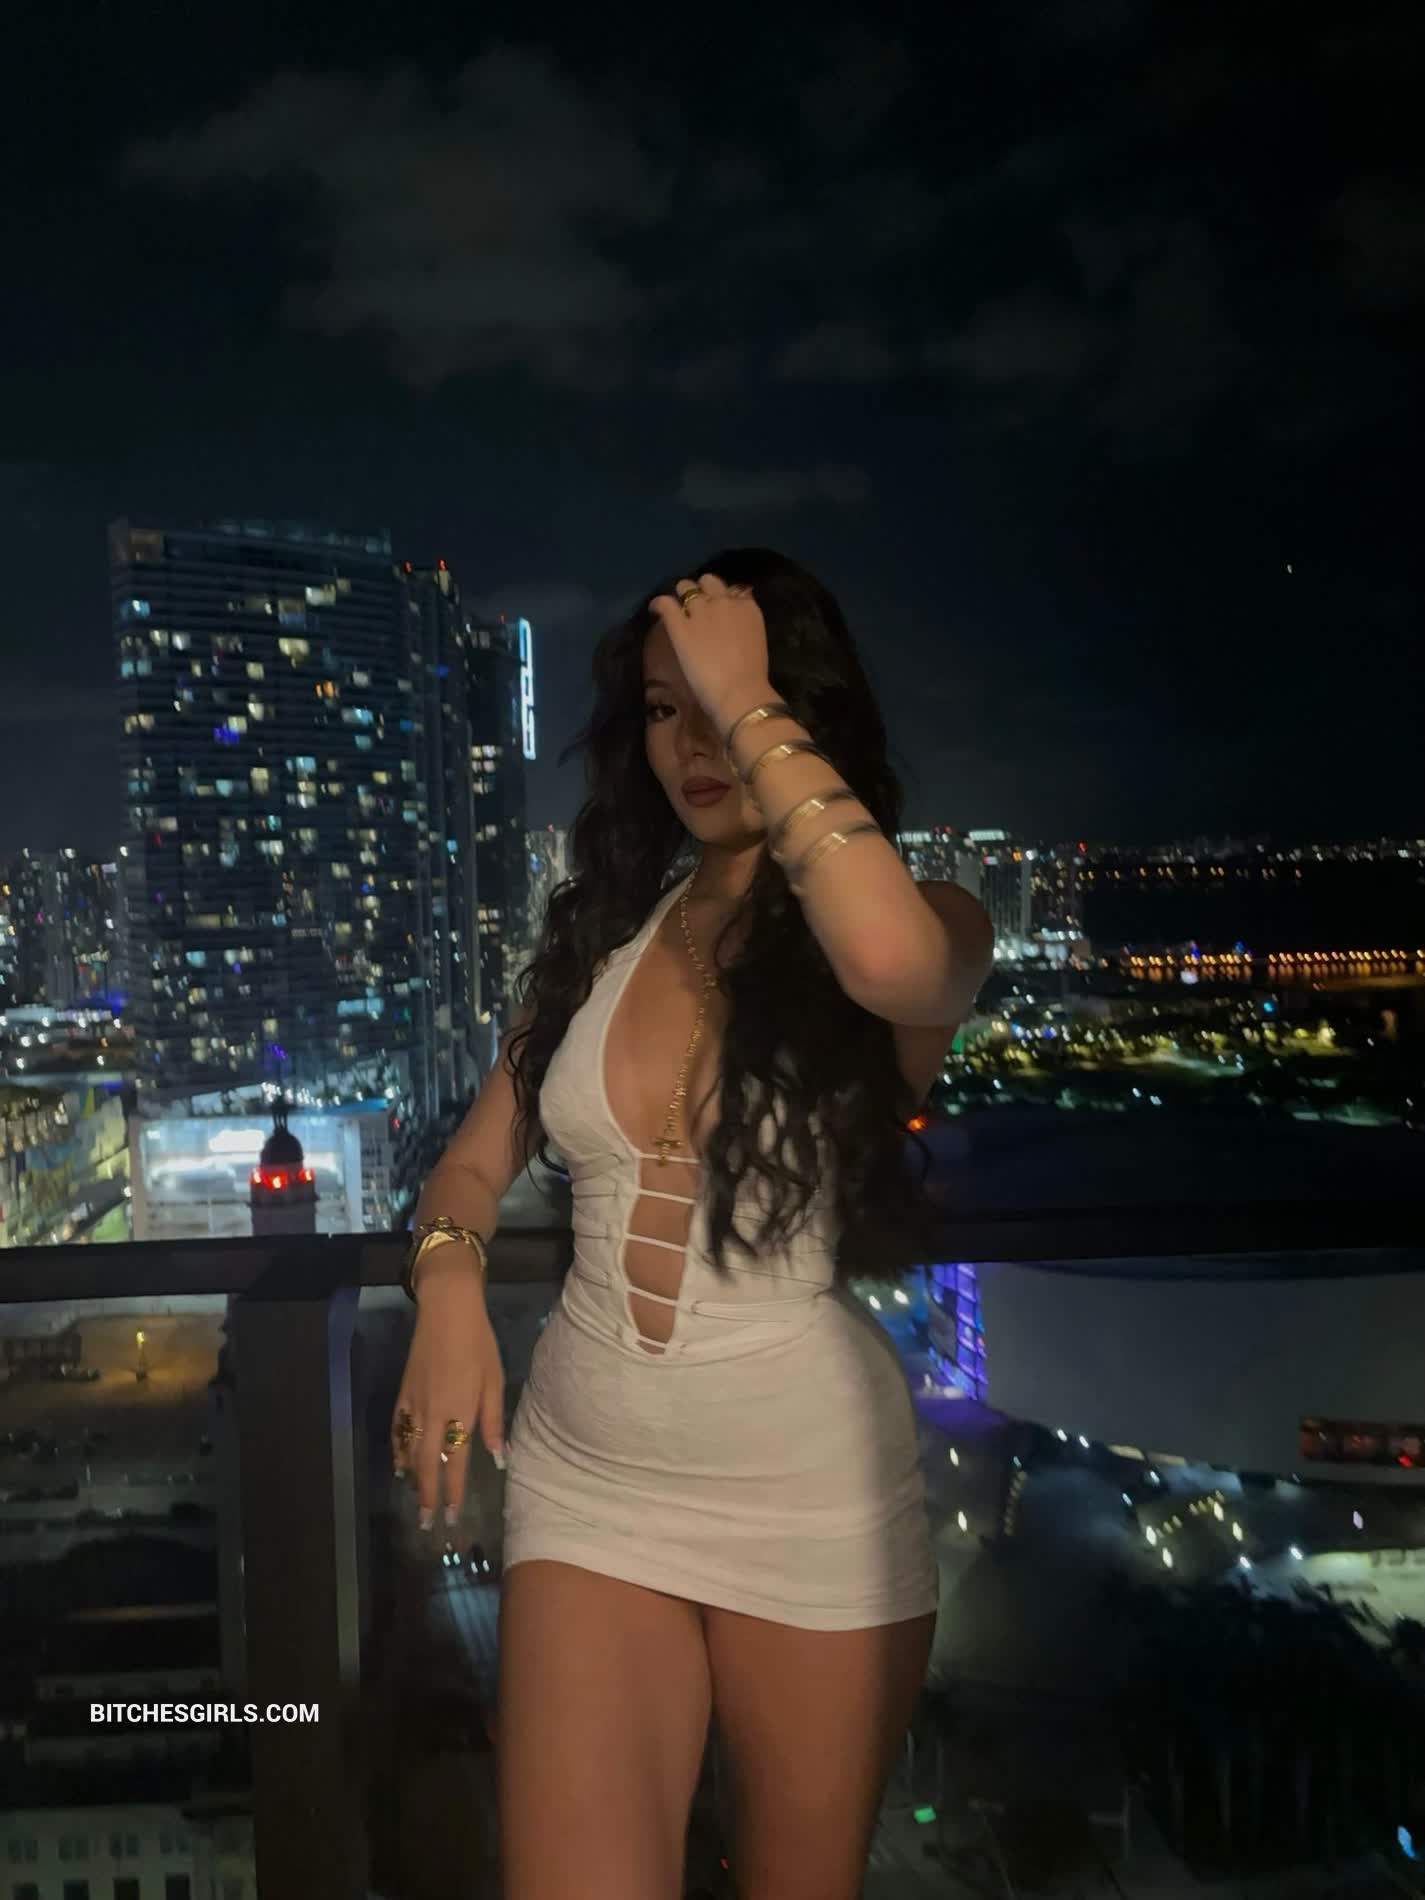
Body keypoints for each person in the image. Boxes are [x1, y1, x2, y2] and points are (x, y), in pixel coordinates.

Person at [391, 550, 995, 1900]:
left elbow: (892, 964)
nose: (696, 743)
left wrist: (745, 701)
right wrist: (447, 1289)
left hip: (806, 1495)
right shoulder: (601, 942)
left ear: (799, 706)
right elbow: (469, 1167)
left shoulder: (922, 918)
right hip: (586, 1482)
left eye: (725, 701)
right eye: (666, 710)